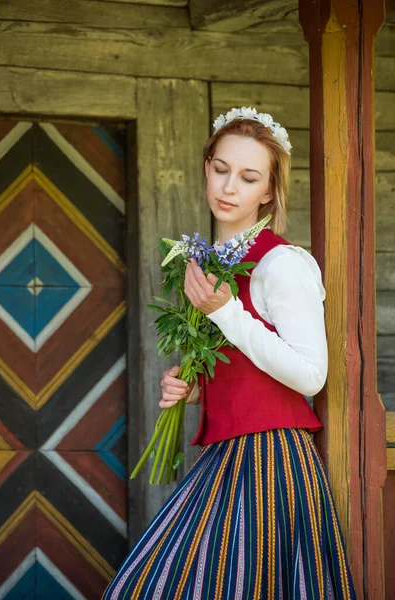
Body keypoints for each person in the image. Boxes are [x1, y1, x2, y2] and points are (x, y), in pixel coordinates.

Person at [102, 107, 357, 599]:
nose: (228, 186)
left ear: (268, 191)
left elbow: (311, 375)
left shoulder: (282, 263)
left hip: (271, 463)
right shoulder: (211, 263)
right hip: (226, 456)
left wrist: (227, 312)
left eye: (249, 177)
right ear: (206, 166)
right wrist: (198, 389)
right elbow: (247, 364)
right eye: (220, 169)